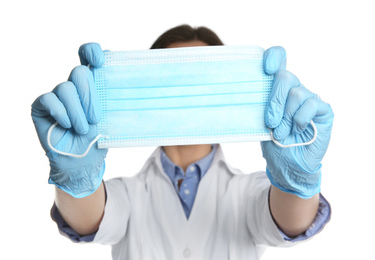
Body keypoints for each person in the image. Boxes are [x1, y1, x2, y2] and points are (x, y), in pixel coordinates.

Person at [31, 25, 333, 259]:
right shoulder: (128, 193)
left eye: (203, 78)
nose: (189, 93)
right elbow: (88, 220)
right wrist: (76, 180)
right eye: (173, 77)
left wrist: (297, 182)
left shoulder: (247, 191)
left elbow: (289, 221)